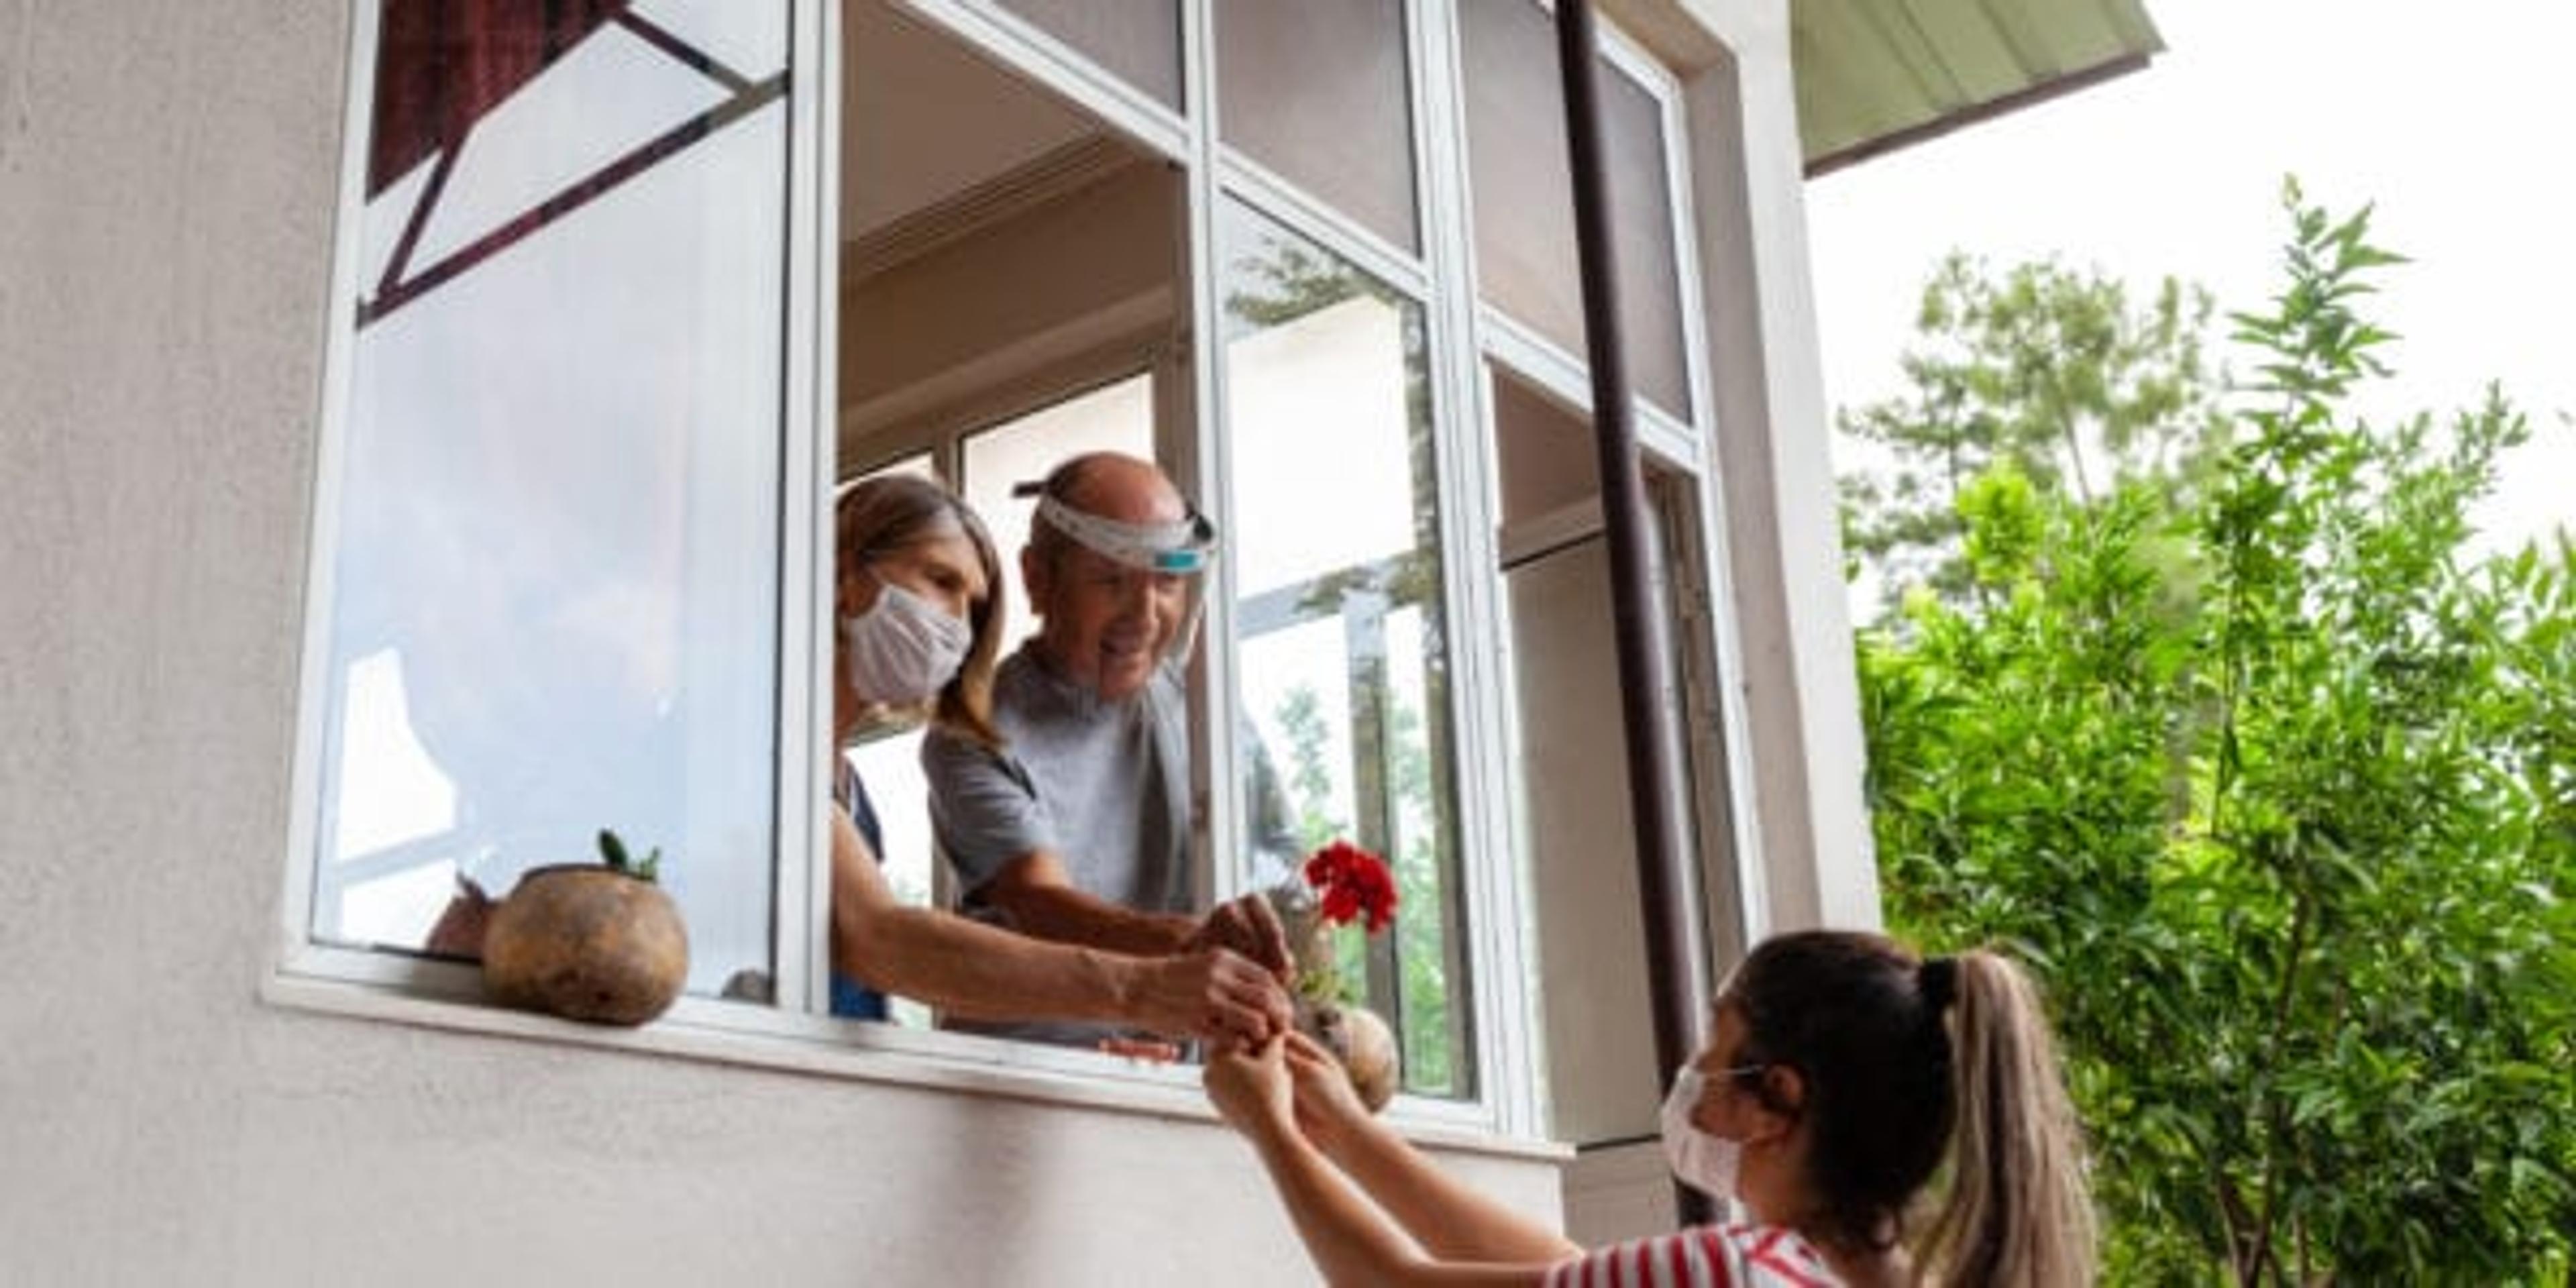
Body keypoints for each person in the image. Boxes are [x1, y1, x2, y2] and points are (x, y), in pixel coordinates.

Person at [1204, 930, 2098, 1287]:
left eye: (1719, 1039)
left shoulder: (1745, 1271)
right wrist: (1352, 1138)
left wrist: (1272, 1132)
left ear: (1776, 1099)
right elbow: (1572, 1270)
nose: (1696, 1066)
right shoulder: (1823, 1278)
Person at [823, 473, 1289, 1049]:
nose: (954, 628)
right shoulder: (773, 759)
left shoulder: (849, 791)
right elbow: (882, 940)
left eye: (971, 606)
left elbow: (846, 993)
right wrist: (1146, 983)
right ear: (845, 572)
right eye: (940, 581)